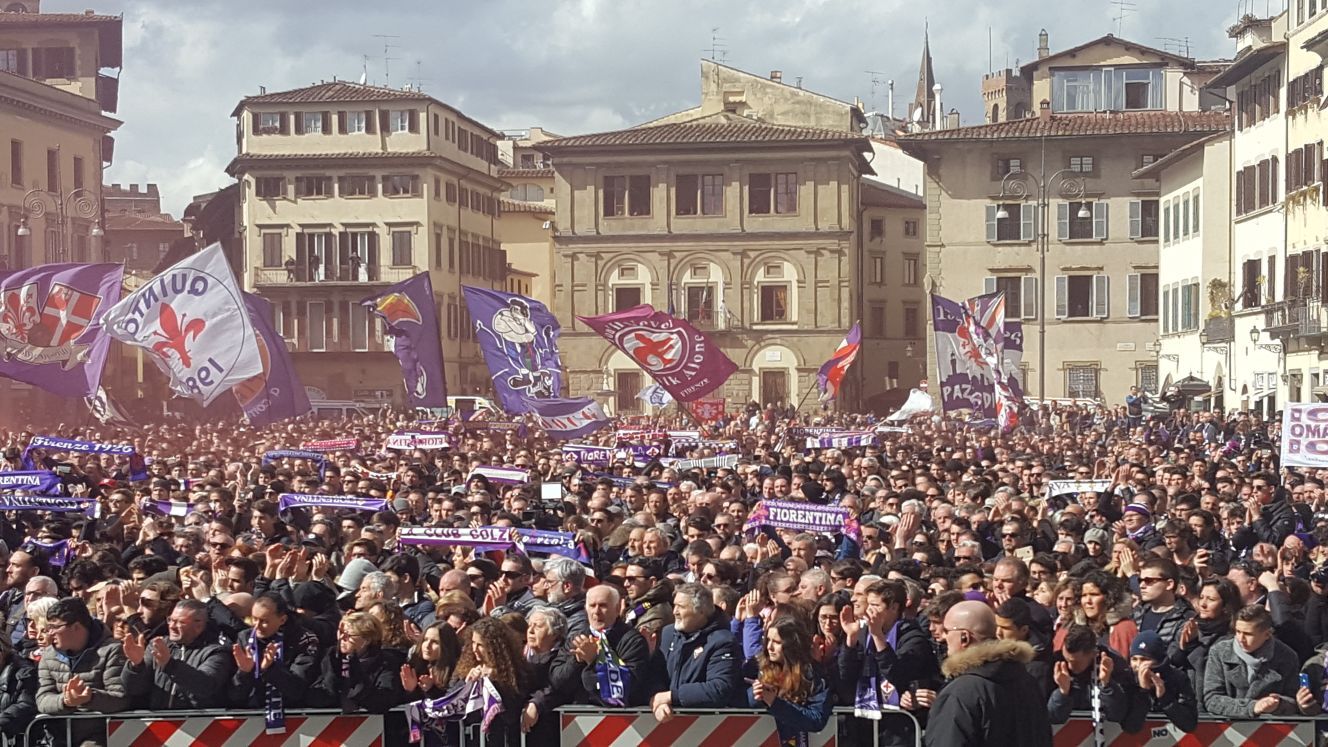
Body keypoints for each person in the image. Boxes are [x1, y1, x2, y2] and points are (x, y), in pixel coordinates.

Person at [923, 600, 1052, 747]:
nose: (943, 637)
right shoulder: (1027, 681)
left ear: (964, 637)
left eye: (947, 630)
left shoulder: (960, 693)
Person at [36, 597, 130, 744]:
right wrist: (65, 701)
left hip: (99, 736)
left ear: (76, 626)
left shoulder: (112, 650)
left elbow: (120, 698)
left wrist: (89, 698)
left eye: (55, 627)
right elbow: (42, 699)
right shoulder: (49, 655)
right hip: (57, 736)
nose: (50, 633)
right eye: (48, 628)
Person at [122, 598, 235, 709]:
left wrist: (169, 664)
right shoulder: (159, 645)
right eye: (170, 620)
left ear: (199, 626)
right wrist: (136, 665)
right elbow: (135, 689)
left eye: (180, 622)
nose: (172, 626)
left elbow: (205, 686)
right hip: (159, 719)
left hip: (198, 719)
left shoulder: (216, 652)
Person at [652, 582, 742, 720]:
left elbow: (719, 688)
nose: (675, 611)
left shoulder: (723, 641)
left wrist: (672, 696)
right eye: (674, 605)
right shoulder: (668, 634)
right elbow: (654, 673)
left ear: (701, 611)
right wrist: (657, 700)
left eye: (681, 607)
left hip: (707, 724)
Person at [1202, 605, 1311, 718]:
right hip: (1227, 726)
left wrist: (1278, 704)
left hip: (1271, 726)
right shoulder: (1220, 652)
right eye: (1238, 632)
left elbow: (1293, 700)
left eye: (1248, 634)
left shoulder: (1286, 656)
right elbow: (1212, 699)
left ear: (1267, 634)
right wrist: (1252, 707)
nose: (1241, 639)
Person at [744, 616, 832, 743]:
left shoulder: (811, 674)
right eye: (768, 640)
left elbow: (817, 719)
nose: (769, 647)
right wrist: (756, 694)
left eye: (777, 642)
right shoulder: (757, 666)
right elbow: (738, 698)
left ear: (791, 645)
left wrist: (775, 702)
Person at [229, 593, 323, 709]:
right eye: (254, 619)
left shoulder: (303, 639)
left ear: (282, 620)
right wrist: (244, 673)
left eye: (264, 621)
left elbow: (297, 690)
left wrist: (270, 669)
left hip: (290, 711)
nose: (257, 626)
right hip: (252, 711)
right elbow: (234, 696)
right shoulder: (245, 638)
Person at [309, 611, 407, 713]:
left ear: (367, 639)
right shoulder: (329, 657)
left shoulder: (386, 662)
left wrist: (358, 678)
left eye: (348, 635)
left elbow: (383, 699)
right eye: (341, 633)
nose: (342, 638)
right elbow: (317, 695)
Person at [570, 585, 651, 707]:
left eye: (603, 606)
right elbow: (558, 682)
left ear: (617, 608)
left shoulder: (633, 640)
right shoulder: (576, 637)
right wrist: (577, 661)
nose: (596, 612)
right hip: (577, 712)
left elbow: (628, 687)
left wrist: (595, 661)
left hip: (618, 715)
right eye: (592, 606)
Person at [1046, 624, 1138, 727]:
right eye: (1067, 660)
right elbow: (1052, 718)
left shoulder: (1113, 665)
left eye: (1076, 662)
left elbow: (1117, 715)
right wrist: (1062, 692)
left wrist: (1107, 684)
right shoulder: (1056, 663)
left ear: (1093, 653)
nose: (1070, 667)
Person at [520, 606, 576, 743]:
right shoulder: (519, 655)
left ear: (555, 634)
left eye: (538, 626)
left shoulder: (564, 657)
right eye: (529, 625)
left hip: (552, 731)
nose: (530, 631)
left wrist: (536, 703)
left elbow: (558, 687)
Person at [1128, 631, 1198, 732]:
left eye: (1144, 659)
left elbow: (1189, 724)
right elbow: (1131, 726)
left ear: (1157, 660)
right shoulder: (1128, 679)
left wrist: (1165, 698)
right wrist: (1143, 692)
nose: (1138, 665)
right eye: (1134, 659)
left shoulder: (1177, 677)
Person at [0, 636, 36, 740]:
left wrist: (2, 721)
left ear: (4, 650)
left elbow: (26, 704)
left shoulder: (24, 672)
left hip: (14, 737)